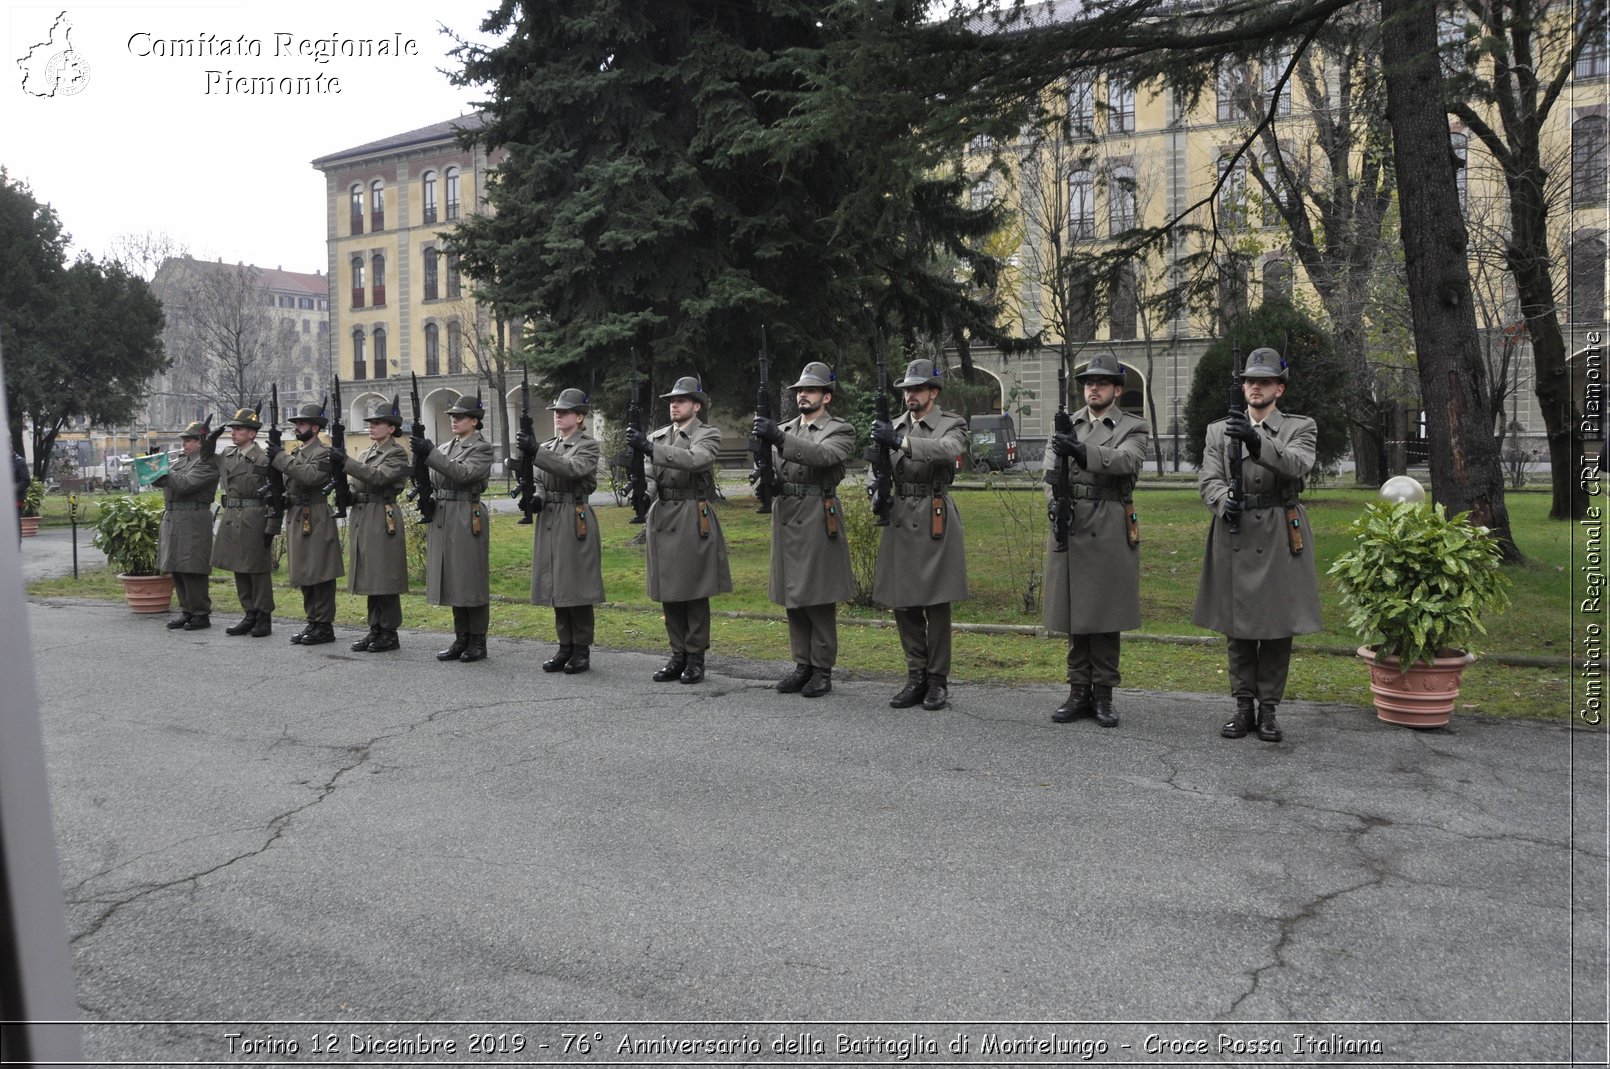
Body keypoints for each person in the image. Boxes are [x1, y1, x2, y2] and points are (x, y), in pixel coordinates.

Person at [1192, 346, 1322, 742]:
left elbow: (1297, 465)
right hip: (1235, 531)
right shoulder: (1218, 430)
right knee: (1239, 624)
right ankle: (1243, 705)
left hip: (1281, 530)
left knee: (1278, 626)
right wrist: (1220, 500)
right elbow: (1208, 477)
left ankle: (1269, 710)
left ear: (1278, 389)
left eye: (1264, 382)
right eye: (1250, 381)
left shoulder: (1300, 427)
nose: (1255, 388)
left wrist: (1254, 440)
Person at [1042, 352, 1150, 727]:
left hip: (1107, 524)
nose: (1093, 388)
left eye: (1101, 383)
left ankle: (1103, 694)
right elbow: (1048, 474)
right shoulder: (1067, 424)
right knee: (1074, 612)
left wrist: (1082, 451)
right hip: (1071, 522)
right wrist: (1055, 504)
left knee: (1104, 615)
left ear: (1117, 390)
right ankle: (1077, 691)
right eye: (1089, 383)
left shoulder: (1132, 427)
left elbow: (1127, 462)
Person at [869, 358, 968, 711]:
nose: (910, 394)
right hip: (899, 513)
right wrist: (875, 489)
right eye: (907, 389)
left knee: (937, 602)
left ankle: (938, 679)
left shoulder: (951, 423)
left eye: (917, 388)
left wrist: (901, 442)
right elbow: (876, 466)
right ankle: (916, 675)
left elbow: (949, 449)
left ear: (933, 392)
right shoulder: (892, 425)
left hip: (933, 513)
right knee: (903, 600)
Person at [752, 361, 855, 698]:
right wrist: (763, 478)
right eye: (799, 391)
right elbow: (778, 467)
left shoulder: (840, 430)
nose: (802, 396)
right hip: (787, 514)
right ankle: (803, 665)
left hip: (817, 514)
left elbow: (824, 457)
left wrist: (778, 438)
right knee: (792, 593)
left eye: (810, 390)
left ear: (826, 396)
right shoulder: (785, 428)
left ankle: (822, 668)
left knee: (818, 595)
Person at [625, 375, 731, 685]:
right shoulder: (660, 436)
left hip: (690, 514)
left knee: (694, 589)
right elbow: (651, 473)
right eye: (671, 400)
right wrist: (644, 492)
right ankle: (677, 654)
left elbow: (697, 460)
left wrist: (649, 448)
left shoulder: (707, 434)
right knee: (669, 589)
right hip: (663, 515)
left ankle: (696, 657)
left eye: (680, 400)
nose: (674, 404)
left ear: (696, 406)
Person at [517, 387, 605, 674]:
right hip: (551, 517)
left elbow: (572, 469)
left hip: (574, 517)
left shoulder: (588, 445)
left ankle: (581, 648)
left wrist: (536, 452)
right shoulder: (549, 445)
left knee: (575, 586)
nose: (558, 416)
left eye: (564, 412)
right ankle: (564, 645)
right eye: (556, 412)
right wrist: (536, 497)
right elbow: (541, 479)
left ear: (579, 417)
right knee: (555, 584)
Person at [413, 392, 494, 663]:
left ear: (475, 421)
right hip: (444, 514)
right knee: (454, 578)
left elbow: (464, 474)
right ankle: (461, 638)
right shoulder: (447, 447)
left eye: (460, 417)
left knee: (470, 578)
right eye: (452, 416)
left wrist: (430, 453)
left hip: (466, 513)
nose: (454, 420)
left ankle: (477, 640)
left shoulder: (482, 448)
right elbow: (438, 478)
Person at [332, 400, 411, 653]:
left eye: (377, 423)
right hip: (363, 515)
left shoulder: (397, 453)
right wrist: (347, 493)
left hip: (381, 514)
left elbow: (379, 477)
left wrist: (346, 462)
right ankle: (375, 628)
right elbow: (358, 482)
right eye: (371, 423)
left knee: (383, 575)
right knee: (369, 575)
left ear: (391, 428)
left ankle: (389, 631)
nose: (372, 426)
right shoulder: (366, 453)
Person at [268, 402, 344, 646]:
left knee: (319, 571)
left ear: (315, 427)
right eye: (296, 424)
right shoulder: (298, 453)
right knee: (304, 571)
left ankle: (324, 624)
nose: (297, 428)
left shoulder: (323, 452)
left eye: (301, 424)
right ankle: (312, 620)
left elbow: (311, 477)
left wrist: (280, 458)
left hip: (316, 514)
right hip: (298, 513)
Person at [211, 406, 275, 637]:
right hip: (232, 517)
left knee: (257, 569)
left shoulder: (263, 458)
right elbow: (205, 456)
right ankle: (249, 613)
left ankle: (263, 616)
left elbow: (276, 495)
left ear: (252, 434)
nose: (234, 432)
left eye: (239, 429)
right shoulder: (228, 454)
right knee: (239, 567)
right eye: (233, 429)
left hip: (254, 517)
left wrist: (272, 526)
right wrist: (210, 438)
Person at [153, 420, 221, 631]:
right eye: (184, 440)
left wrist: (163, 473)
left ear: (202, 442)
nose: (185, 444)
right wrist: (154, 471)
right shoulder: (182, 461)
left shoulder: (207, 462)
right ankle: (187, 611)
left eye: (190, 440)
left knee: (193, 567)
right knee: (177, 567)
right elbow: (167, 481)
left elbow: (186, 484)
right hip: (174, 517)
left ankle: (200, 613)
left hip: (193, 517)